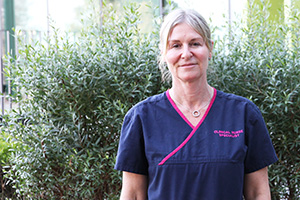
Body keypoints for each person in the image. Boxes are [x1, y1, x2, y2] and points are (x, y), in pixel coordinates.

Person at [115, 8, 278, 200]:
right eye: (175, 46)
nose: (186, 53)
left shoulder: (243, 114)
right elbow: (133, 195)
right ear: (164, 54)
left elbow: (258, 193)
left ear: (209, 49)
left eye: (195, 43)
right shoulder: (141, 118)